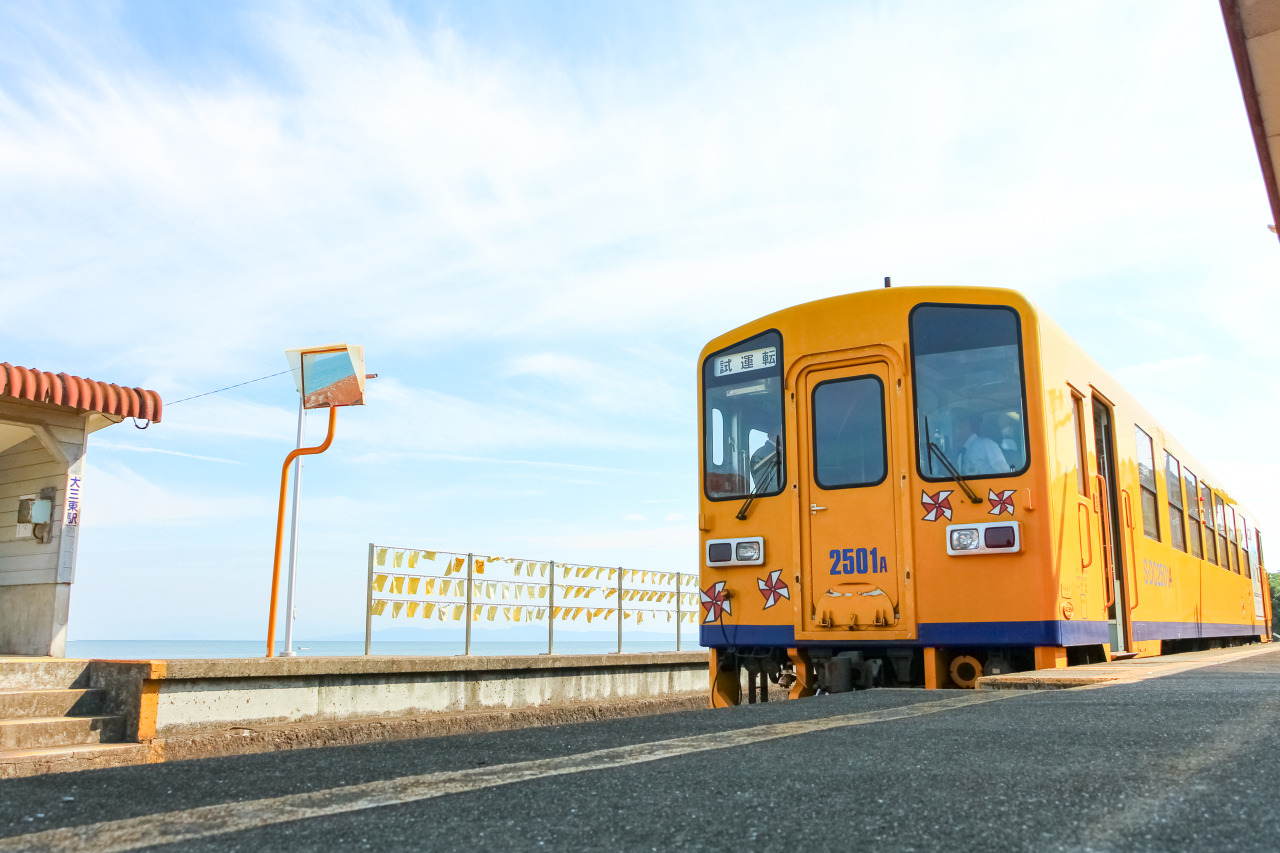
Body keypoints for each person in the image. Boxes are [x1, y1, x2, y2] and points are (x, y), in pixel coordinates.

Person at [954, 411, 1008, 476]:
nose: (956, 431)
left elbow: (1003, 473)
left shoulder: (986, 444)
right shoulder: (961, 454)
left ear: (966, 425)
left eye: (959, 426)